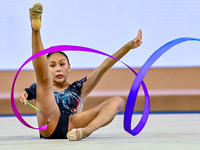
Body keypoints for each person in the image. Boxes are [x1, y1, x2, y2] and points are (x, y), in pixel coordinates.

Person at [17, 3, 143, 141]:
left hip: (74, 123)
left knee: (117, 101)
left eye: (62, 64)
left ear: (69, 67)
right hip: (49, 123)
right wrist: (23, 94)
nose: (58, 68)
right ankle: (35, 30)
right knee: (43, 80)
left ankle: (86, 131)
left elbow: (103, 68)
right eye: (52, 65)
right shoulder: (40, 87)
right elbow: (27, 92)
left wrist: (128, 47)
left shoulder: (78, 87)